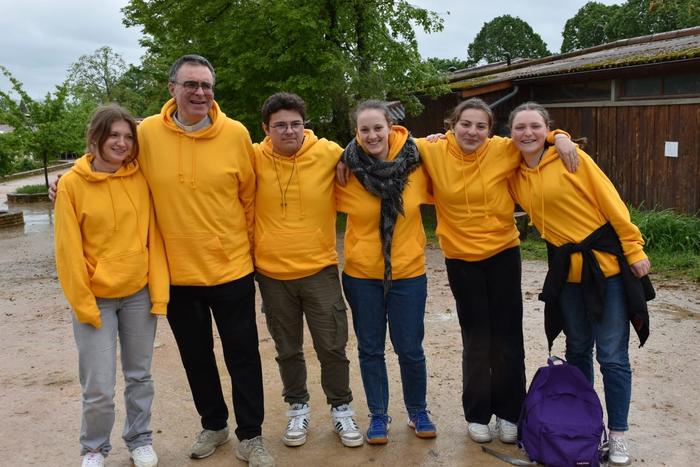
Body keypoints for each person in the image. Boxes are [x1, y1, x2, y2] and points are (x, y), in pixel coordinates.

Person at [414, 98, 577, 444]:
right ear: (451, 125)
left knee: (507, 336)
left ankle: (510, 413)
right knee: (476, 339)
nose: (472, 132)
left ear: (491, 130)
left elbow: (536, 135)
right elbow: (389, 140)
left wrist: (560, 136)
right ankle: (477, 414)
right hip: (460, 259)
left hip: (503, 253)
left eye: (481, 126)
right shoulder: (433, 151)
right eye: (466, 124)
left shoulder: (504, 149)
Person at [507, 102, 652, 466]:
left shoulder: (573, 159)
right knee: (577, 352)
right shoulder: (513, 173)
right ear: (510, 133)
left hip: (607, 270)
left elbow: (612, 203)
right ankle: (585, 427)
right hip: (567, 275)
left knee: (612, 356)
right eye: (519, 127)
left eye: (536, 126)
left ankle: (618, 435)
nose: (527, 133)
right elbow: (473, 146)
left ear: (547, 128)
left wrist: (634, 249)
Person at [54, 104, 168, 467]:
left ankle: (140, 439)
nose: (121, 143)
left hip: (137, 294)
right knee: (98, 386)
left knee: (140, 376)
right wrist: (83, 303)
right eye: (113, 135)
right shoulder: (72, 185)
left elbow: (153, 236)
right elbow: (67, 252)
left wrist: (157, 291)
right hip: (96, 300)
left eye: (127, 137)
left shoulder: (140, 178)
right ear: (96, 138)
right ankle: (94, 447)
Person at [253, 92, 362, 448]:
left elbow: (377, 144)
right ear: (266, 129)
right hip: (272, 275)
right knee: (287, 349)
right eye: (280, 125)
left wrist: (437, 138)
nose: (289, 131)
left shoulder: (330, 153)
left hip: (320, 269)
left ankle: (341, 408)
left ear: (305, 124)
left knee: (332, 346)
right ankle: (297, 407)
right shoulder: (252, 157)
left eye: (295, 124)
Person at [337, 100, 437, 445]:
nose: (372, 135)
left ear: (390, 127)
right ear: (357, 133)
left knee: (410, 348)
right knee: (370, 349)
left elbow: (461, 155)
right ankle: (379, 415)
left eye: (377, 127)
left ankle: (418, 410)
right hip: (362, 274)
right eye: (364, 129)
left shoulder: (418, 162)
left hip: (408, 274)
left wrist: (556, 138)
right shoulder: (347, 170)